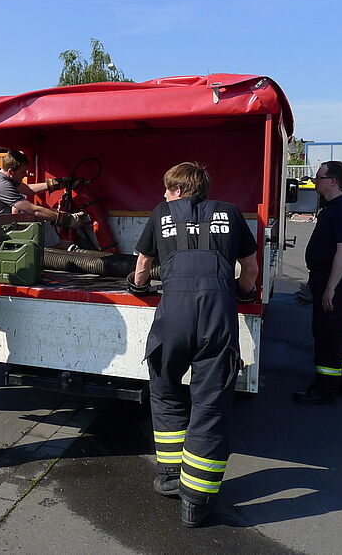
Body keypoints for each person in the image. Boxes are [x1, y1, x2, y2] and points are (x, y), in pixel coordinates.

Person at [128, 162, 258, 528]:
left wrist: (139, 287)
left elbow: (143, 264)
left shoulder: (161, 213)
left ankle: (171, 475)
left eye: (167, 189)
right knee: (211, 404)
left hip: (174, 317)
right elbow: (250, 269)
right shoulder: (231, 212)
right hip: (217, 318)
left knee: (165, 389)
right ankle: (196, 502)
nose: (164, 195)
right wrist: (243, 294)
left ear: (178, 190)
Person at [294, 161, 342, 405]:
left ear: (333, 181)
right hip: (326, 279)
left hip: (333, 282)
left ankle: (325, 388)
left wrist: (330, 288)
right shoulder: (333, 208)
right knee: (341, 332)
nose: (315, 181)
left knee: (328, 335)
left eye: (319, 177)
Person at [0, 150, 85, 246]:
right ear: (11, 171)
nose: (25, 175)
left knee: (44, 216)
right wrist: (68, 219)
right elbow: (35, 211)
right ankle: (57, 250)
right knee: (41, 220)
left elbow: (28, 189)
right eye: (23, 172)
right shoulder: (2, 185)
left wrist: (58, 183)